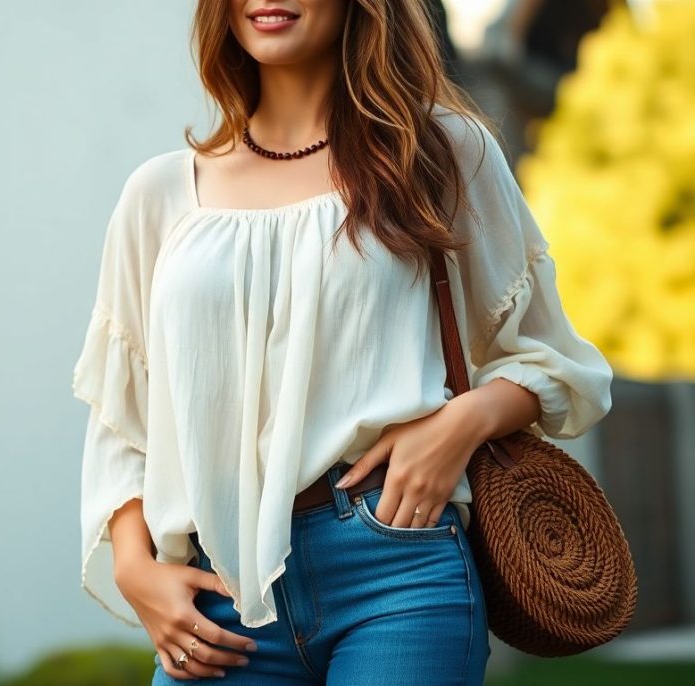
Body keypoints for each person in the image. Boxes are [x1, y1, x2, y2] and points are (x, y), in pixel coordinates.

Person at [71, 1, 614, 684]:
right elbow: (124, 411)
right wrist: (133, 567)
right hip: (219, 594)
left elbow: (557, 361)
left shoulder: (442, 153)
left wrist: (460, 424)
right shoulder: (160, 194)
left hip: (398, 568)